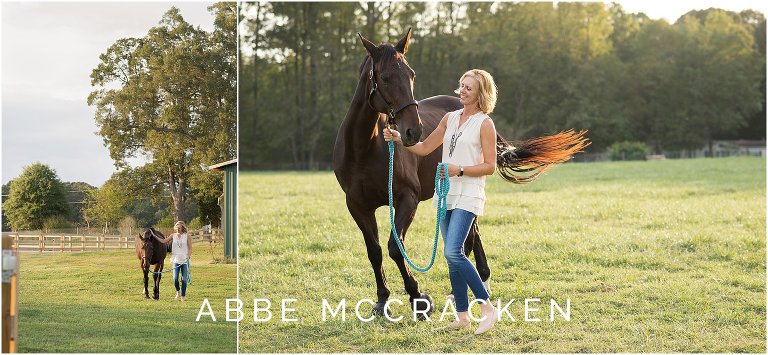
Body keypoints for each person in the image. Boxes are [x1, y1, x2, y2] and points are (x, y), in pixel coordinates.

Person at [384, 69, 499, 335]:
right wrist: (400, 140)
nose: (462, 91)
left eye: (469, 88)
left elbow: (490, 166)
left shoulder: (485, 124)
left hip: (468, 193)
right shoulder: (450, 118)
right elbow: (424, 148)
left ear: (481, 93)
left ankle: (487, 307)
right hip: (446, 193)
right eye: (462, 85)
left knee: (453, 252)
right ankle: (462, 317)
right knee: (452, 257)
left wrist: (460, 170)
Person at [160, 221, 192, 301]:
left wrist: (188, 256)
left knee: (184, 279)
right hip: (175, 260)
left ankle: (183, 296)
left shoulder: (187, 236)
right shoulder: (173, 235)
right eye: (177, 228)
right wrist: (154, 236)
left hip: (184, 260)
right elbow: (163, 241)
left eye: (179, 228)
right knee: (175, 279)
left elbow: (190, 248)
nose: (178, 229)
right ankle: (178, 291)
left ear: (182, 228)